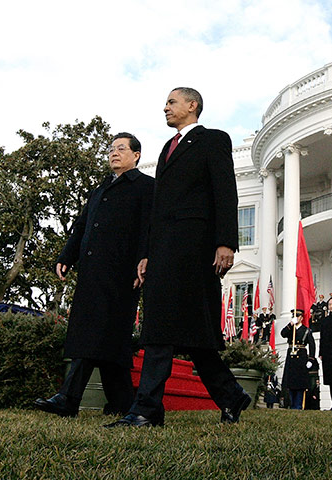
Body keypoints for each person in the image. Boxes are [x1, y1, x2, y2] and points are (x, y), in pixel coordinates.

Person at [106, 87, 250, 428]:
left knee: (186, 330)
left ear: (192, 105)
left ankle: (146, 409)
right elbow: (158, 209)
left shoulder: (213, 139)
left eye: (172, 102)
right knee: (170, 328)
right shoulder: (167, 149)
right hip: (163, 251)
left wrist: (226, 242)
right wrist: (146, 254)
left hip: (196, 249)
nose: (166, 107)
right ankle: (228, 396)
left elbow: (225, 191)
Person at [35, 132, 154, 418]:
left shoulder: (146, 186)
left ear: (136, 155)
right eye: (111, 149)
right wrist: (67, 256)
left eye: (121, 149)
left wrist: (144, 260)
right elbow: (82, 225)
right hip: (91, 272)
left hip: (123, 273)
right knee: (109, 340)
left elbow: (149, 228)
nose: (114, 153)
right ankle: (121, 403)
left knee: (97, 334)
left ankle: (68, 398)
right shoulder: (100, 188)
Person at [281, 309, 316, 410]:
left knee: (300, 383)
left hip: (301, 357)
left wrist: (311, 359)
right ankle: (291, 404)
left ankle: (298, 405)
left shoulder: (306, 330)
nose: (296, 317)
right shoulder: (290, 329)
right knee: (290, 382)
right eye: (294, 316)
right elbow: (283, 334)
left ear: (301, 317)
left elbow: (312, 346)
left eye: (297, 316)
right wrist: (291, 323)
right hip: (291, 357)